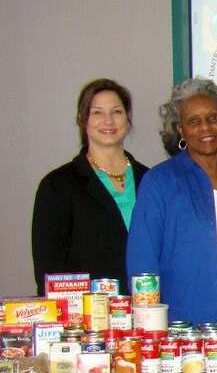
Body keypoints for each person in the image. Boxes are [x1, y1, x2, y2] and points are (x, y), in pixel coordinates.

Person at [127, 78, 217, 330]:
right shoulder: (160, 182)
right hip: (190, 321)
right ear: (181, 130)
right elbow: (142, 262)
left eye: (214, 118)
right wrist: (150, 327)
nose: (205, 127)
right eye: (193, 121)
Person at [32, 78, 148, 293]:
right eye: (97, 112)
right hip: (89, 318)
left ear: (128, 118)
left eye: (117, 111)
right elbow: (49, 268)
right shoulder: (58, 185)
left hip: (148, 311)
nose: (108, 120)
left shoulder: (151, 180)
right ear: (82, 119)